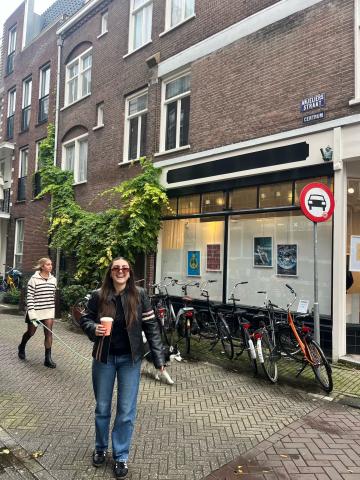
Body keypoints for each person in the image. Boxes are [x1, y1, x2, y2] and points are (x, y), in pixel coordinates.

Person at [80, 257, 165, 479]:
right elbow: (85, 318)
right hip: (104, 358)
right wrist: (93, 328)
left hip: (130, 360)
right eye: (116, 268)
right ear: (110, 272)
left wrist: (159, 358)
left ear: (129, 272)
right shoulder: (99, 295)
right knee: (102, 407)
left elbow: (151, 326)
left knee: (126, 411)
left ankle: (121, 456)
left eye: (124, 268)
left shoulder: (139, 295)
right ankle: (100, 447)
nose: (120, 271)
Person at [18, 257, 57, 368]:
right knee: (31, 333)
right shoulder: (33, 279)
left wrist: (51, 308)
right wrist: (32, 312)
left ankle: (47, 359)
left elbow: (52, 295)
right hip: (35, 311)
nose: (50, 266)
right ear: (42, 266)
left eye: (51, 264)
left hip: (48, 311)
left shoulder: (53, 279)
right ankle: (21, 346)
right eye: (48, 264)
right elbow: (30, 297)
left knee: (48, 334)